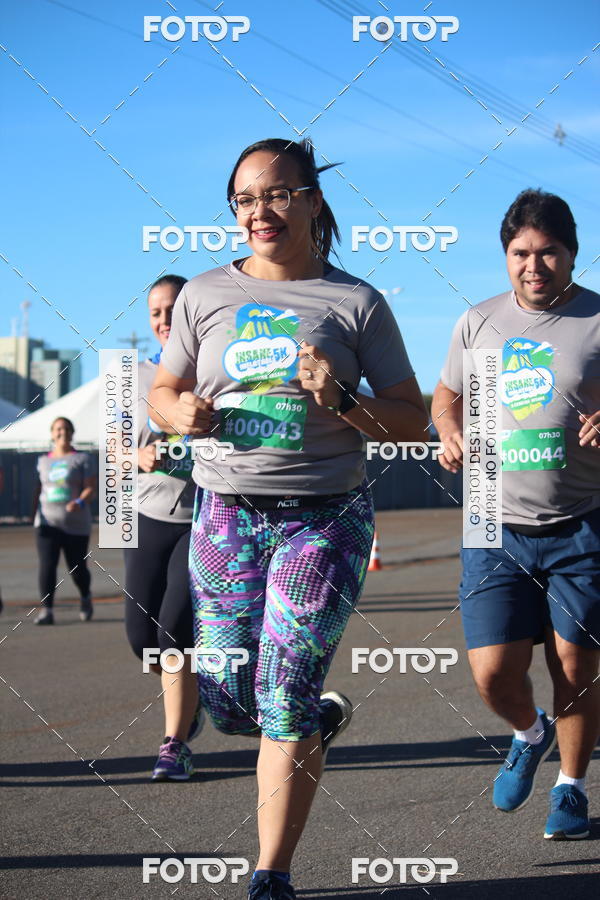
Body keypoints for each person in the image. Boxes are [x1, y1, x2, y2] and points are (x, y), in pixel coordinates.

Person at [148, 137, 428, 899]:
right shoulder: (205, 295)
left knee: (283, 695)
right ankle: (308, 716)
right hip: (225, 516)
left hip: (324, 517)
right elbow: (162, 391)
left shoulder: (356, 302)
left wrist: (342, 400)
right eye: (243, 200)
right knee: (229, 698)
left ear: (311, 200)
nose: (258, 212)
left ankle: (271, 873)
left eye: (274, 194)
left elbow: (410, 420)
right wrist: (183, 413)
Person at [432, 189, 600, 841]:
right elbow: (446, 396)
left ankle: (572, 788)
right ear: (506, 256)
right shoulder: (478, 322)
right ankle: (530, 733)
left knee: (576, 666)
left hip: (581, 521)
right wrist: (447, 428)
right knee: (492, 674)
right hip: (490, 521)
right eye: (521, 253)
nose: (534, 265)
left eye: (548, 252)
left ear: (571, 253)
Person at [124, 274, 203, 781]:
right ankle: (190, 700)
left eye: (173, 309)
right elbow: (111, 449)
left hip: (203, 521)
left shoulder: (218, 370)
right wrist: (137, 453)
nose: (163, 320)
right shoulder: (131, 377)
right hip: (147, 516)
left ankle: (174, 743)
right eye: (155, 312)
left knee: (174, 631)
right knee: (142, 641)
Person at [32, 417, 95, 625]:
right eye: (58, 429)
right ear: (52, 433)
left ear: (72, 432)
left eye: (66, 428)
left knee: (77, 568)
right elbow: (38, 489)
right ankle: (47, 611)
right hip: (47, 523)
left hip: (76, 524)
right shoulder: (43, 461)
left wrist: (79, 501)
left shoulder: (82, 459)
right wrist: (34, 514)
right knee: (47, 566)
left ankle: (85, 596)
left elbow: (90, 488)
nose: (62, 432)